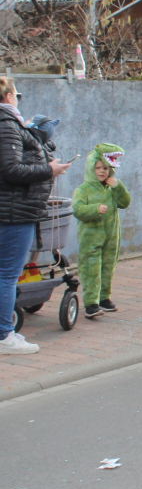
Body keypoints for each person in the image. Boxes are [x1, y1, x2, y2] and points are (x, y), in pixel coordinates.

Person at [0, 77, 69, 354]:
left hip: (13, 209)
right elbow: (11, 170)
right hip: (14, 213)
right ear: (7, 96)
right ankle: (5, 335)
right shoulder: (6, 124)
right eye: (17, 94)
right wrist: (48, 170)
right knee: (7, 275)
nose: (18, 99)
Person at [72, 144, 131, 319]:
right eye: (98, 168)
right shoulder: (83, 190)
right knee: (91, 269)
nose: (101, 171)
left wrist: (118, 186)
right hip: (91, 238)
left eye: (105, 168)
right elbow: (77, 209)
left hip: (111, 237)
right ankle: (91, 302)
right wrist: (94, 209)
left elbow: (125, 203)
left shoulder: (111, 187)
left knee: (107, 267)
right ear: (91, 169)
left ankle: (104, 298)